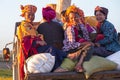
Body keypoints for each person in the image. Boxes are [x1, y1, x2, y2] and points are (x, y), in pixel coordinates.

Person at [17, 5, 81, 80]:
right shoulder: (25, 25)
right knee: (51, 49)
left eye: (33, 15)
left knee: (52, 50)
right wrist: (38, 40)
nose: (31, 17)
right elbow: (26, 39)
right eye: (29, 15)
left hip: (35, 48)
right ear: (24, 15)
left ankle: (56, 69)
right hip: (30, 49)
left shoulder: (37, 26)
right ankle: (65, 58)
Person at [55, 5, 94, 72]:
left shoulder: (82, 26)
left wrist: (88, 43)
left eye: (75, 17)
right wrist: (85, 44)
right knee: (89, 46)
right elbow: (72, 44)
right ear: (69, 19)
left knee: (91, 47)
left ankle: (78, 59)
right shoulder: (70, 28)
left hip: (80, 47)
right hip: (70, 49)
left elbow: (86, 38)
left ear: (79, 16)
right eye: (71, 18)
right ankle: (79, 64)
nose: (74, 19)